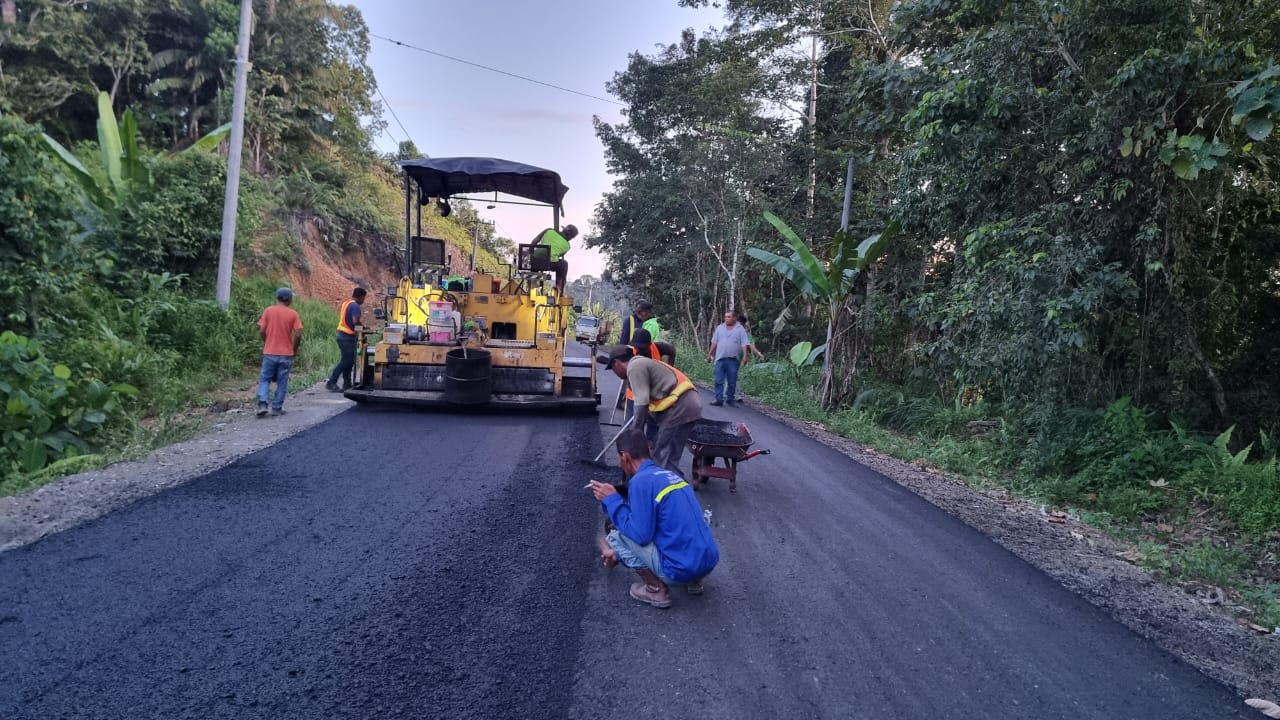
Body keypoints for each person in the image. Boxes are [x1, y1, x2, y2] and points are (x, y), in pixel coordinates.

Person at [588, 428, 719, 609]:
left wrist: (612, 501)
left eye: (620, 459)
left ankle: (656, 589)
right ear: (649, 451)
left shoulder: (640, 481)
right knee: (687, 520)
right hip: (708, 561)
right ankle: (695, 581)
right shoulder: (671, 476)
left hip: (679, 570)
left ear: (624, 456)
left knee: (617, 533)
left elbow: (641, 536)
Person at [600, 345, 702, 479]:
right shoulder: (642, 364)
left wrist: (635, 436)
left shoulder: (634, 367)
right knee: (666, 454)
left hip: (681, 407)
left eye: (613, 369)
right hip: (686, 405)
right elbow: (650, 405)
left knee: (663, 458)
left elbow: (641, 403)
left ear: (616, 363)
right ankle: (667, 492)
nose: (615, 373)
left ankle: (676, 494)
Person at [257, 287, 303, 417]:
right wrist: (294, 350)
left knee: (265, 379)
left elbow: (261, 330)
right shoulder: (293, 314)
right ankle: (276, 408)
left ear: (278, 298)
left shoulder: (268, 311)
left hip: (269, 352)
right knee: (282, 381)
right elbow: (298, 334)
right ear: (289, 299)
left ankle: (262, 403)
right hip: (286, 354)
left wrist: (266, 342)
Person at [326, 287, 367, 392]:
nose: (364, 300)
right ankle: (331, 382)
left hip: (342, 335)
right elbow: (355, 321)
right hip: (347, 337)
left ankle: (347, 384)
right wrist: (363, 328)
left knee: (348, 361)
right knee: (346, 361)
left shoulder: (346, 303)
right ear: (361, 296)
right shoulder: (355, 306)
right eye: (364, 298)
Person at [706, 310, 749, 407]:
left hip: (733, 360)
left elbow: (744, 344)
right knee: (718, 380)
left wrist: (745, 356)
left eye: (729, 317)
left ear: (734, 318)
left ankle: (730, 399)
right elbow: (714, 342)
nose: (726, 319)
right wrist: (709, 354)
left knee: (732, 381)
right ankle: (718, 399)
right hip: (720, 358)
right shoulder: (720, 328)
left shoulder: (740, 329)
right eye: (725, 317)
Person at [533, 223, 577, 293]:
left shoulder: (549, 230)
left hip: (534, 262)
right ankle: (559, 290)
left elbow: (534, 241)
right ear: (571, 237)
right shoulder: (567, 246)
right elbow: (558, 255)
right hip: (549, 265)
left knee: (536, 260)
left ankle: (533, 287)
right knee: (564, 264)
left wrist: (531, 253)